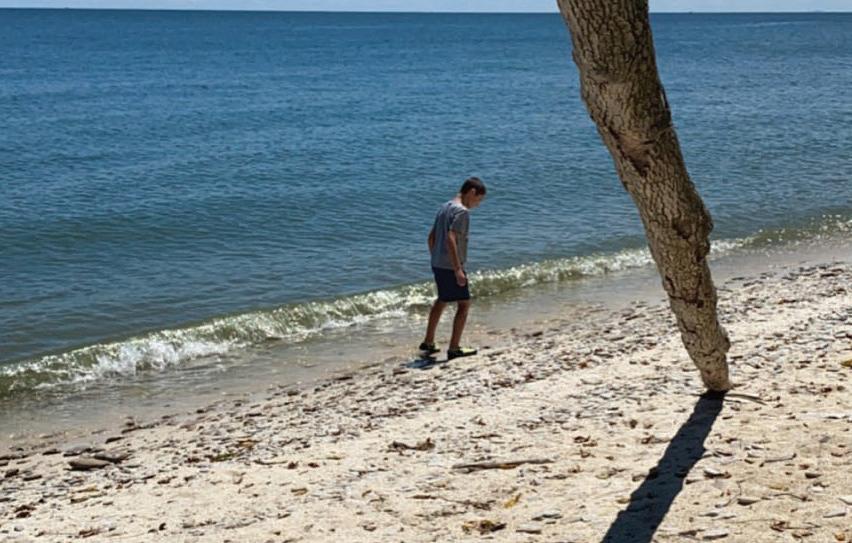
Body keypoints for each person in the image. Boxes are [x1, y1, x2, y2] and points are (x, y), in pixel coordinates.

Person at [419, 177, 486, 359]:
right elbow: (451, 238)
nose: (477, 204)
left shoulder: (444, 207)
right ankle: (454, 348)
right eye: (478, 200)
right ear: (472, 192)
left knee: (442, 299)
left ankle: (429, 341)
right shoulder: (462, 212)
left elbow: (431, 237)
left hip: (437, 262)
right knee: (464, 304)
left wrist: (435, 258)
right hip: (451, 265)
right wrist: (457, 269)